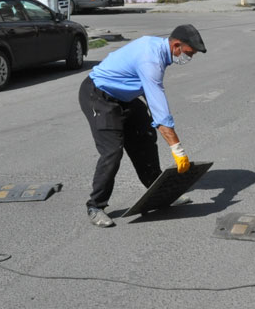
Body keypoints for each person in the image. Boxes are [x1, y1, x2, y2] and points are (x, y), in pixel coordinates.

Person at [79, 24, 207, 227]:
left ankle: (158, 192)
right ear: (176, 45)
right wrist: (177, 150)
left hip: (125, 98)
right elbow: (160, 110)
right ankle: (96, 205)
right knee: (112, 151)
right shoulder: (151, 58)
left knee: (145, 138)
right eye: (189, 53)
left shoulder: (160, 50)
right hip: (99, 95)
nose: (189, 58)